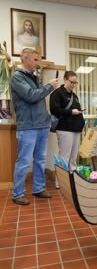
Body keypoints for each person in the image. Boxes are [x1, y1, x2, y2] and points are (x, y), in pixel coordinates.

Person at [11, 48, 58, 205]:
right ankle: (18, 193)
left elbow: (38, 99)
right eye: (35, 60)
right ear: (25, 59)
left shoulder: (34, 77)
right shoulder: (17, 77)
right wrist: (50, 87)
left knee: (40, 160)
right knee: (24, 161)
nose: (38, 63)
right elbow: (31, 96)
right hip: (28, 126)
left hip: (42, 125)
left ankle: (38, 188)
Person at [50, 71, 85, 188]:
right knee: (64, 156)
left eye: (76, 83)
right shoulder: (57, 93)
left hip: (76, 129)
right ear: (65, 79)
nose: (73, 85)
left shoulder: (74, 95)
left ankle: (72, 178)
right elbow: (54, 110)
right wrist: (71, 112)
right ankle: (60, 182)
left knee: (74, 156)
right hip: (65, 128)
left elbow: (77, 110)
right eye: (72, 82)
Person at [0, 42, 14, 119]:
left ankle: (4, 118)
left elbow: (11, 66)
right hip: (3, 83)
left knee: (4, 102)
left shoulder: (4, 58)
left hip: (4, 83)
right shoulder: (4, 57)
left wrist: (9, 59)